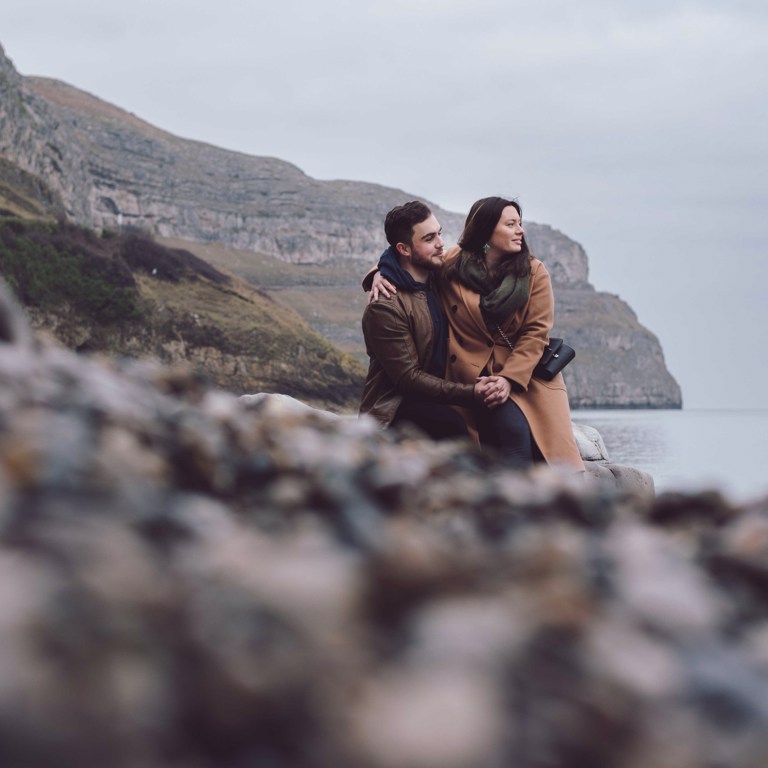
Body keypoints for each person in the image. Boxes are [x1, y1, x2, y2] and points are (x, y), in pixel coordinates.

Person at [370, 197, 584, 472]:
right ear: (486, 230)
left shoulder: (533, 272)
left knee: (516, 431)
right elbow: (407, 260)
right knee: (486, 435)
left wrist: (508, 379)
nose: (520, 230)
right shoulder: (452, 264)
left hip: (524, 374)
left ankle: (531, 502)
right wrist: (377, 273)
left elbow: (536, 332)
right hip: (470, 375)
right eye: (510, 224)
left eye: (520, 223)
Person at [359, 201, 506, 440]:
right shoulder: (385, 306)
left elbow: (485, 251)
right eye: (429, 239)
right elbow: (409, 380)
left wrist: (375, 272)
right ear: (404, 249)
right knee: (452, 426)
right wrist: (471, 393)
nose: (440, 244)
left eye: (439, 234)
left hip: (441, 395)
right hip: (396, 409)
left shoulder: (438, 276)